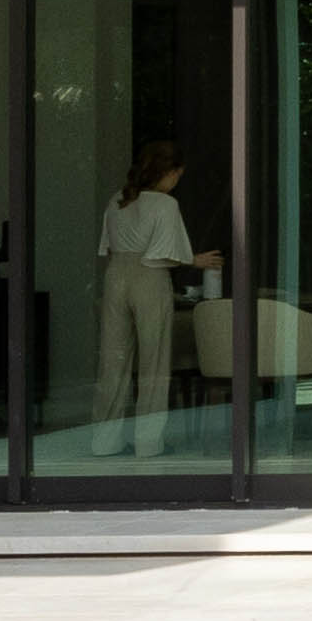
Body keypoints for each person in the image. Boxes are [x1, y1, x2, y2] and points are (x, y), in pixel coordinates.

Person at [89, 142, 206, 450]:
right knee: (154, 363)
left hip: (116, 275)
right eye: (177, 175)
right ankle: (148, 442)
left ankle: (104, 441)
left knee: (112, 362)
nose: (177, 181)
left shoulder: (118, 199)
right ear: (169, 173)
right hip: (149, 278)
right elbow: (164, 254)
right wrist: (195, 260)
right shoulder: (165, 204)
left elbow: (110, 248)